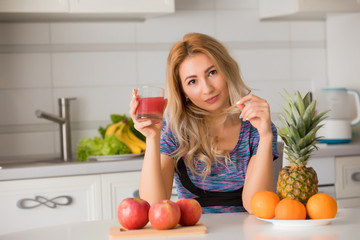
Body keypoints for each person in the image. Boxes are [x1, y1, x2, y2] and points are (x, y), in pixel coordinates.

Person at [129, 32, 278, 214]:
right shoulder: (174, 130)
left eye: (212, 72)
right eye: (192, 81)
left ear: (227, 70)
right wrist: (152, 138)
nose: (207, 89)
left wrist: (265, 135)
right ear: (183, 91)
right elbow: (153, 205)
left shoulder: (255, 128)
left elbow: (256, 205)